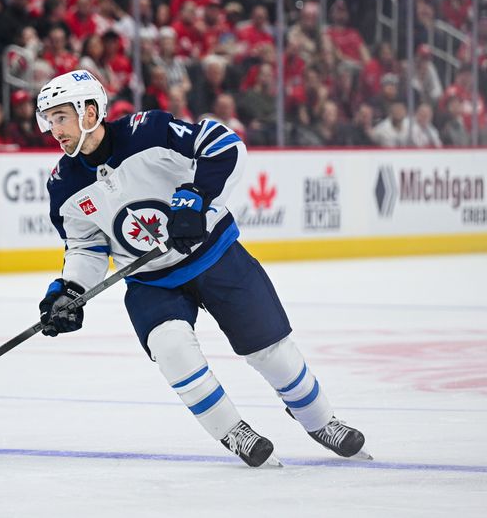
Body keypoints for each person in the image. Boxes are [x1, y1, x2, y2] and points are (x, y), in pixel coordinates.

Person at [34, 69, 369, 467]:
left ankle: (320, 421)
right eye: (49, 120)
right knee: (171, 346)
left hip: (215, 254)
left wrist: (197, 196)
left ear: (90, 112)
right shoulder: (63, 184)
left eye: (61, 117)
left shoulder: (149, 131)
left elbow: (224, 145)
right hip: (151, 281)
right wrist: (71, 289)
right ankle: (233, 431)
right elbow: (87, 246)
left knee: (270, 350)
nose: (54, 129)